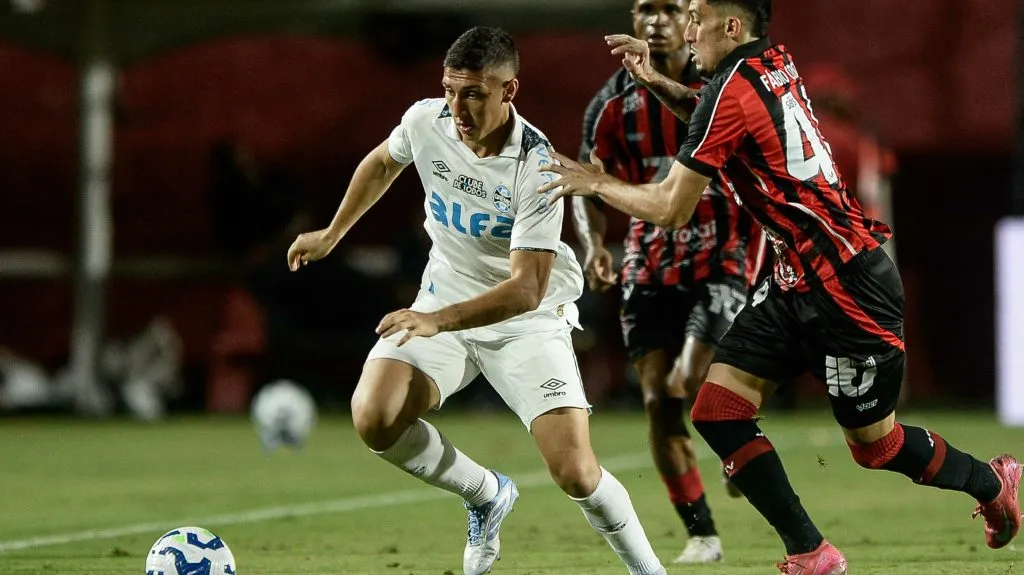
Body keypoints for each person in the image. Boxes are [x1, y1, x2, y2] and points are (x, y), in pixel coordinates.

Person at [538, 1, 1021, 573]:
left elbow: (670, 208)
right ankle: (809, 550)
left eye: (697, 16)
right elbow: (710, 113)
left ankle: (993, 482)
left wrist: (597, 183)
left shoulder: (730, 89)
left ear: (732, 26)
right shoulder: (766, 62)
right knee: (717, 409)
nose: (687, 30)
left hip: (848, 287)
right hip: (797, 277)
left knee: (876, 447)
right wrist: (654, 81)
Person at [287, 26, 666, 575]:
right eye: (450, 89)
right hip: (444, 300)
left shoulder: (538, 167)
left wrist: (434, 320)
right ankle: (486, 494)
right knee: (374, 415)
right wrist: (332, 233)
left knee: (576, 473)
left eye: (473, 94)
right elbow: (383, 163)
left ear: (509, 91)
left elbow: (525, 288)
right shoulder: (426, 120)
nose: (457, 107)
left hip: (527, 322)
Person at [573, 0, 764, 564]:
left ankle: (736, 438)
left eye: (667, 9)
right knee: (658, 399)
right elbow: (590, 178)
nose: (654, 20)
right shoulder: (610, 105)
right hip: (650, 263)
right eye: (643, 9)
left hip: (723, 257)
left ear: (689, 21)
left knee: (693, 379)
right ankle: (702, 534)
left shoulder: (720, 84)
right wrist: (592, 247)